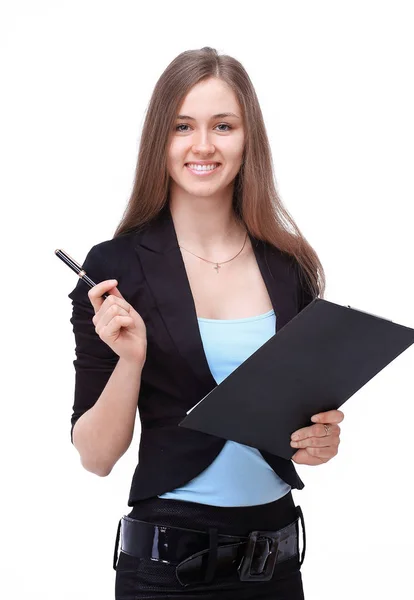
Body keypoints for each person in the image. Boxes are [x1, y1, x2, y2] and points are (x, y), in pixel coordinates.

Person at [67, 47, 344, 599]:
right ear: (160, 141)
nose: (203, 145)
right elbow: (96, 458)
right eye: (182, 126)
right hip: (167, 570)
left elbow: (301, 415)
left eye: (223, 126)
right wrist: (131, 360)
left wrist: (322, 440)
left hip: (276, 562)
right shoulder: (113, 271)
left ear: (248, 140)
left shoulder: (289, 266)